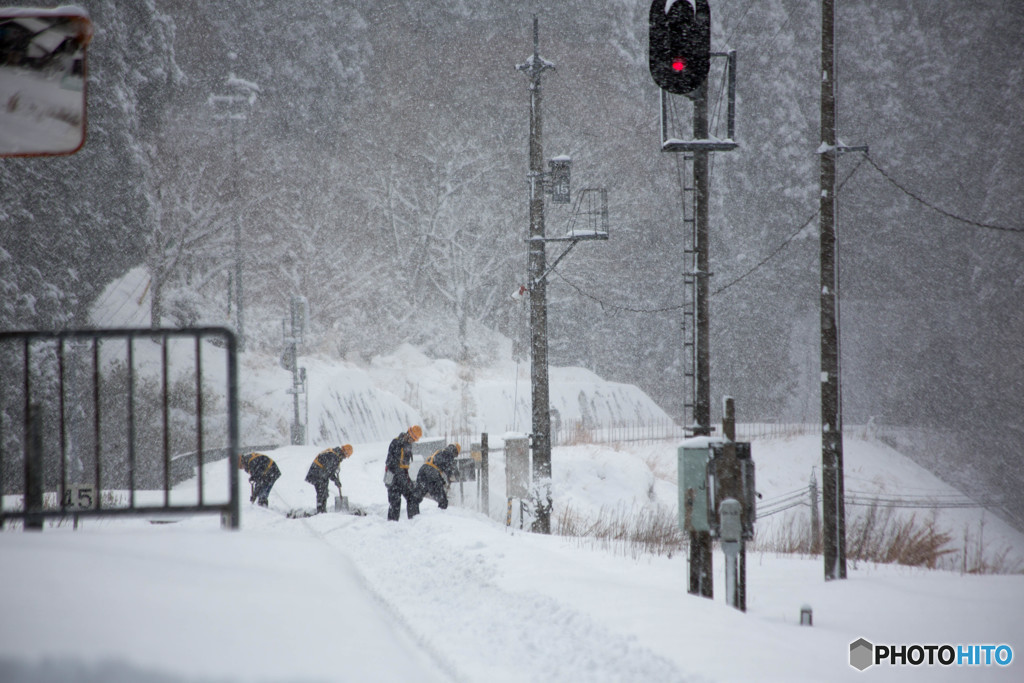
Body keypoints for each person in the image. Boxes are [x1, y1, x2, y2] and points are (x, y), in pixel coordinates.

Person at [384, 425, 422, 520]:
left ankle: (415, 521)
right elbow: (390, 462)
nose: (412, 441)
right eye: (412, 439)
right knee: (395, 502)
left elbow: (405, 466)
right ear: (408, 434)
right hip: (392, 477)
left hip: (402, 477)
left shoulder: (408, 445)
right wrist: (399, 474)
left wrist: (408, 479)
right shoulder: (396, 443)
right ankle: (392, 525)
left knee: (412, 497)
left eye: (414, 440)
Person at [305, 445, 353, 513]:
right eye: (346, 456)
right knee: (322, 492)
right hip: (317, 474)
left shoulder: (335, 455)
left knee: (324, 492)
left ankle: (322, 510)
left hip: (321, 474)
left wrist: (336, 480)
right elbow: (329, 471)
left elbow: (329, 471)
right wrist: (335, 480)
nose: (345, 458)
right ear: (344, 452)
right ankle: (320, 511)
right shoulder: (333, 456)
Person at [416, 443, 461, 510]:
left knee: (417, 496)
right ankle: (441, 517)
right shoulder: (449, 453)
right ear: (455, 451)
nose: (454, 457)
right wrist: (454, 475)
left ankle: (413, 515)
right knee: (443, 501)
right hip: (432, 473)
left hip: (423, 470)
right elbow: (450, 467)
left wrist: (443, 482)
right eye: (456, 455)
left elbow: (438, 467)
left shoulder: (440, 452)